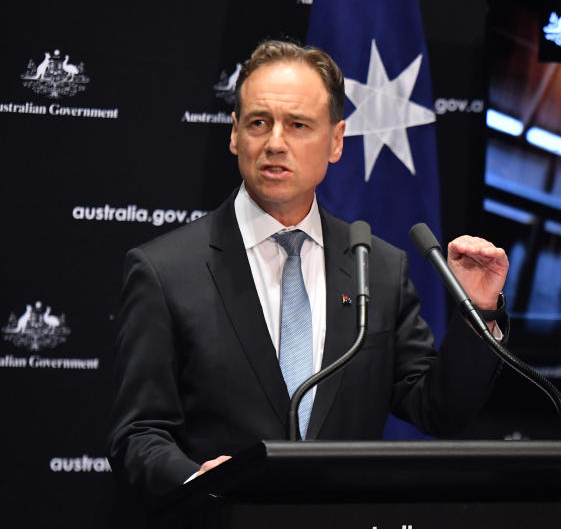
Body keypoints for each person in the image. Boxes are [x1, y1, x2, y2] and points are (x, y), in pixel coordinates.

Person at [107, 40, 510, 506]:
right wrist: (196, 477)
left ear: (336, 140)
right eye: (259, 122)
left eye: (298, 125)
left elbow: (439, 411)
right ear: (235, 134)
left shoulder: (377, 267)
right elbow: (137, 433)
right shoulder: (165, 271)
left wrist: (478, 313)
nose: (275, 142)